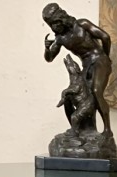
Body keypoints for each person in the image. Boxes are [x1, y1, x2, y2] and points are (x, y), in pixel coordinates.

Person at [43, 4, 113, 136]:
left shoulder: (82, 24)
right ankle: (81, 131)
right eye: (51, 25)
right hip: (86, 66)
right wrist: (47, 48)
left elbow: (105, 37)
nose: (53, 28)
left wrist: (106, 58)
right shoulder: (60, 38)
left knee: (96, 91)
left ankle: (107, 130)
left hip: (99, 60)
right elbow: (50, 58)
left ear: (61, 19)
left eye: (54, 23)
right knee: (74, 97)